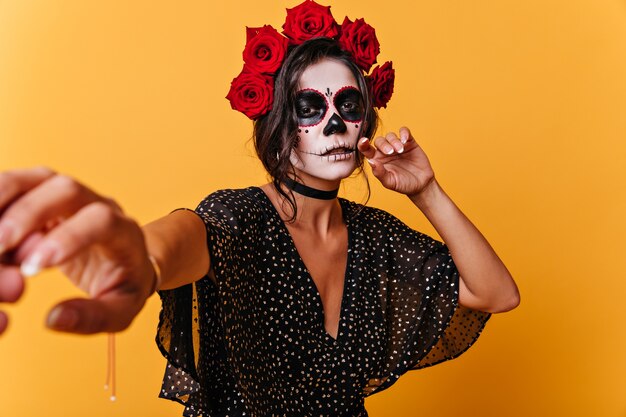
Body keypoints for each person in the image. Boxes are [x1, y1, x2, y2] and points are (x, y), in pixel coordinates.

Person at [0, 1, 519, 415]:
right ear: (275, 122)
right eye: (309, 107)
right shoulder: (239, 218)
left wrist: (425, 190)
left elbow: (495, 293)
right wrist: (142, 256)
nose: (335, 125)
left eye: (348, 105)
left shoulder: (376, 236)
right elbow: (184, 236)